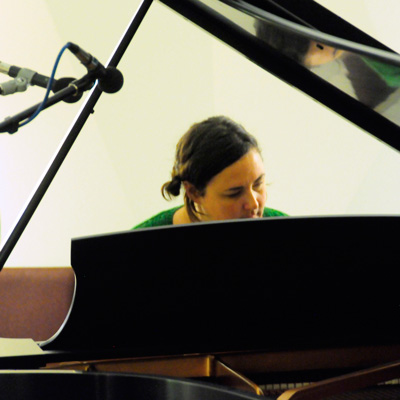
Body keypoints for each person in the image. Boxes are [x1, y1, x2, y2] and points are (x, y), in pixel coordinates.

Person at [133, 116, 287, 229]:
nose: (253, 203)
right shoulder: (139, 244)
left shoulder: (290, 230)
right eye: (234, 193)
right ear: (194, 192)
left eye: (258, 184)